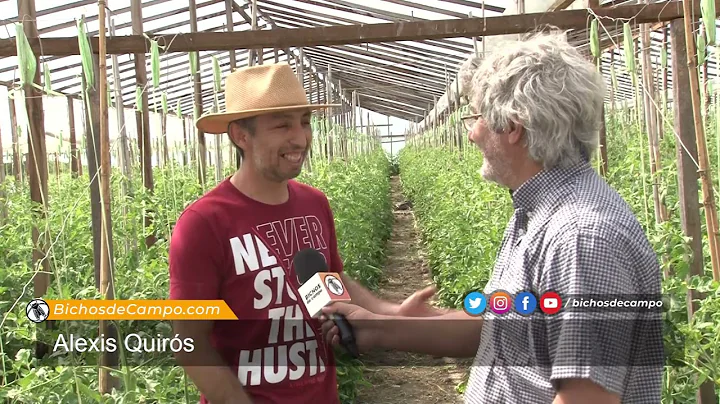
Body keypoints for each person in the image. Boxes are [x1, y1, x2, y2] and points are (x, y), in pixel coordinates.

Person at [320, 30, 664, 404]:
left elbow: (587, 399)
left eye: (478, 117)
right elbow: (499, 327)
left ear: (513, 126)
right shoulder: (536, 215)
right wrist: (388, 328)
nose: (472, 134)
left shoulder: (581, 237)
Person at [168, 63, 443, 404]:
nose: (300, 138)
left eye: (305, 122)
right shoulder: (204, 223)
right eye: (282, 125)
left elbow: (326, 284)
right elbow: (190, 343)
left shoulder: (313, 204)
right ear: (241, 135)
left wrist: (392, 312)